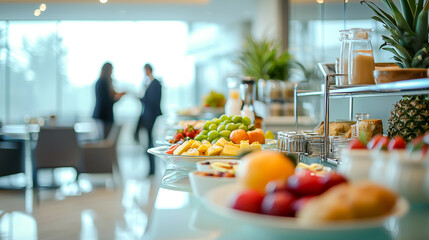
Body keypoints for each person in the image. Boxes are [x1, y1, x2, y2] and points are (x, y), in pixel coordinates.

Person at [135, 63, 162, 175]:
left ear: (148, 70)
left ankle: (152, 169)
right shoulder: (149, 83)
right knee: (146, 140)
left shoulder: (155, 83)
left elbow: (152, 101)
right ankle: (150, 168)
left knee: (150, 142)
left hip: (151, 117)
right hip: (147, 116)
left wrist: (143, 97)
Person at [92, 62, 125, 139]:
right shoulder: (103, 82)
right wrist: (119, 98)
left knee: (104, 138)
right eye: (111, 70)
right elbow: (107, 101)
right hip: (103, 116)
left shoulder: (102, 82)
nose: (112, 73)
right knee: (104, 139)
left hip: (103, 116)